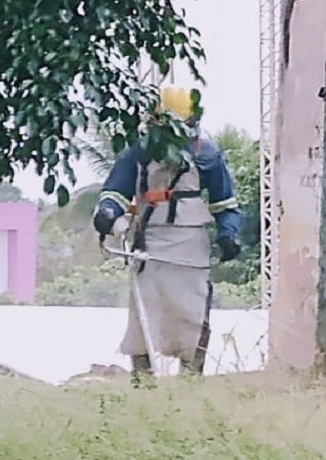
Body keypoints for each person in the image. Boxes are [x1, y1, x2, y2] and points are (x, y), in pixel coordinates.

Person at [93, 85, 245, 379]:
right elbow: (115, 191)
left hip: (191, 246)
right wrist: (108, 213)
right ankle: (142, 384)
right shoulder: (138, 153)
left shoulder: (207, 153)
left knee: (193, 312)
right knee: (143, 316)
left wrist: (229, 234)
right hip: (149, 243)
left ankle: (190, 381)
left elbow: (225, 202)